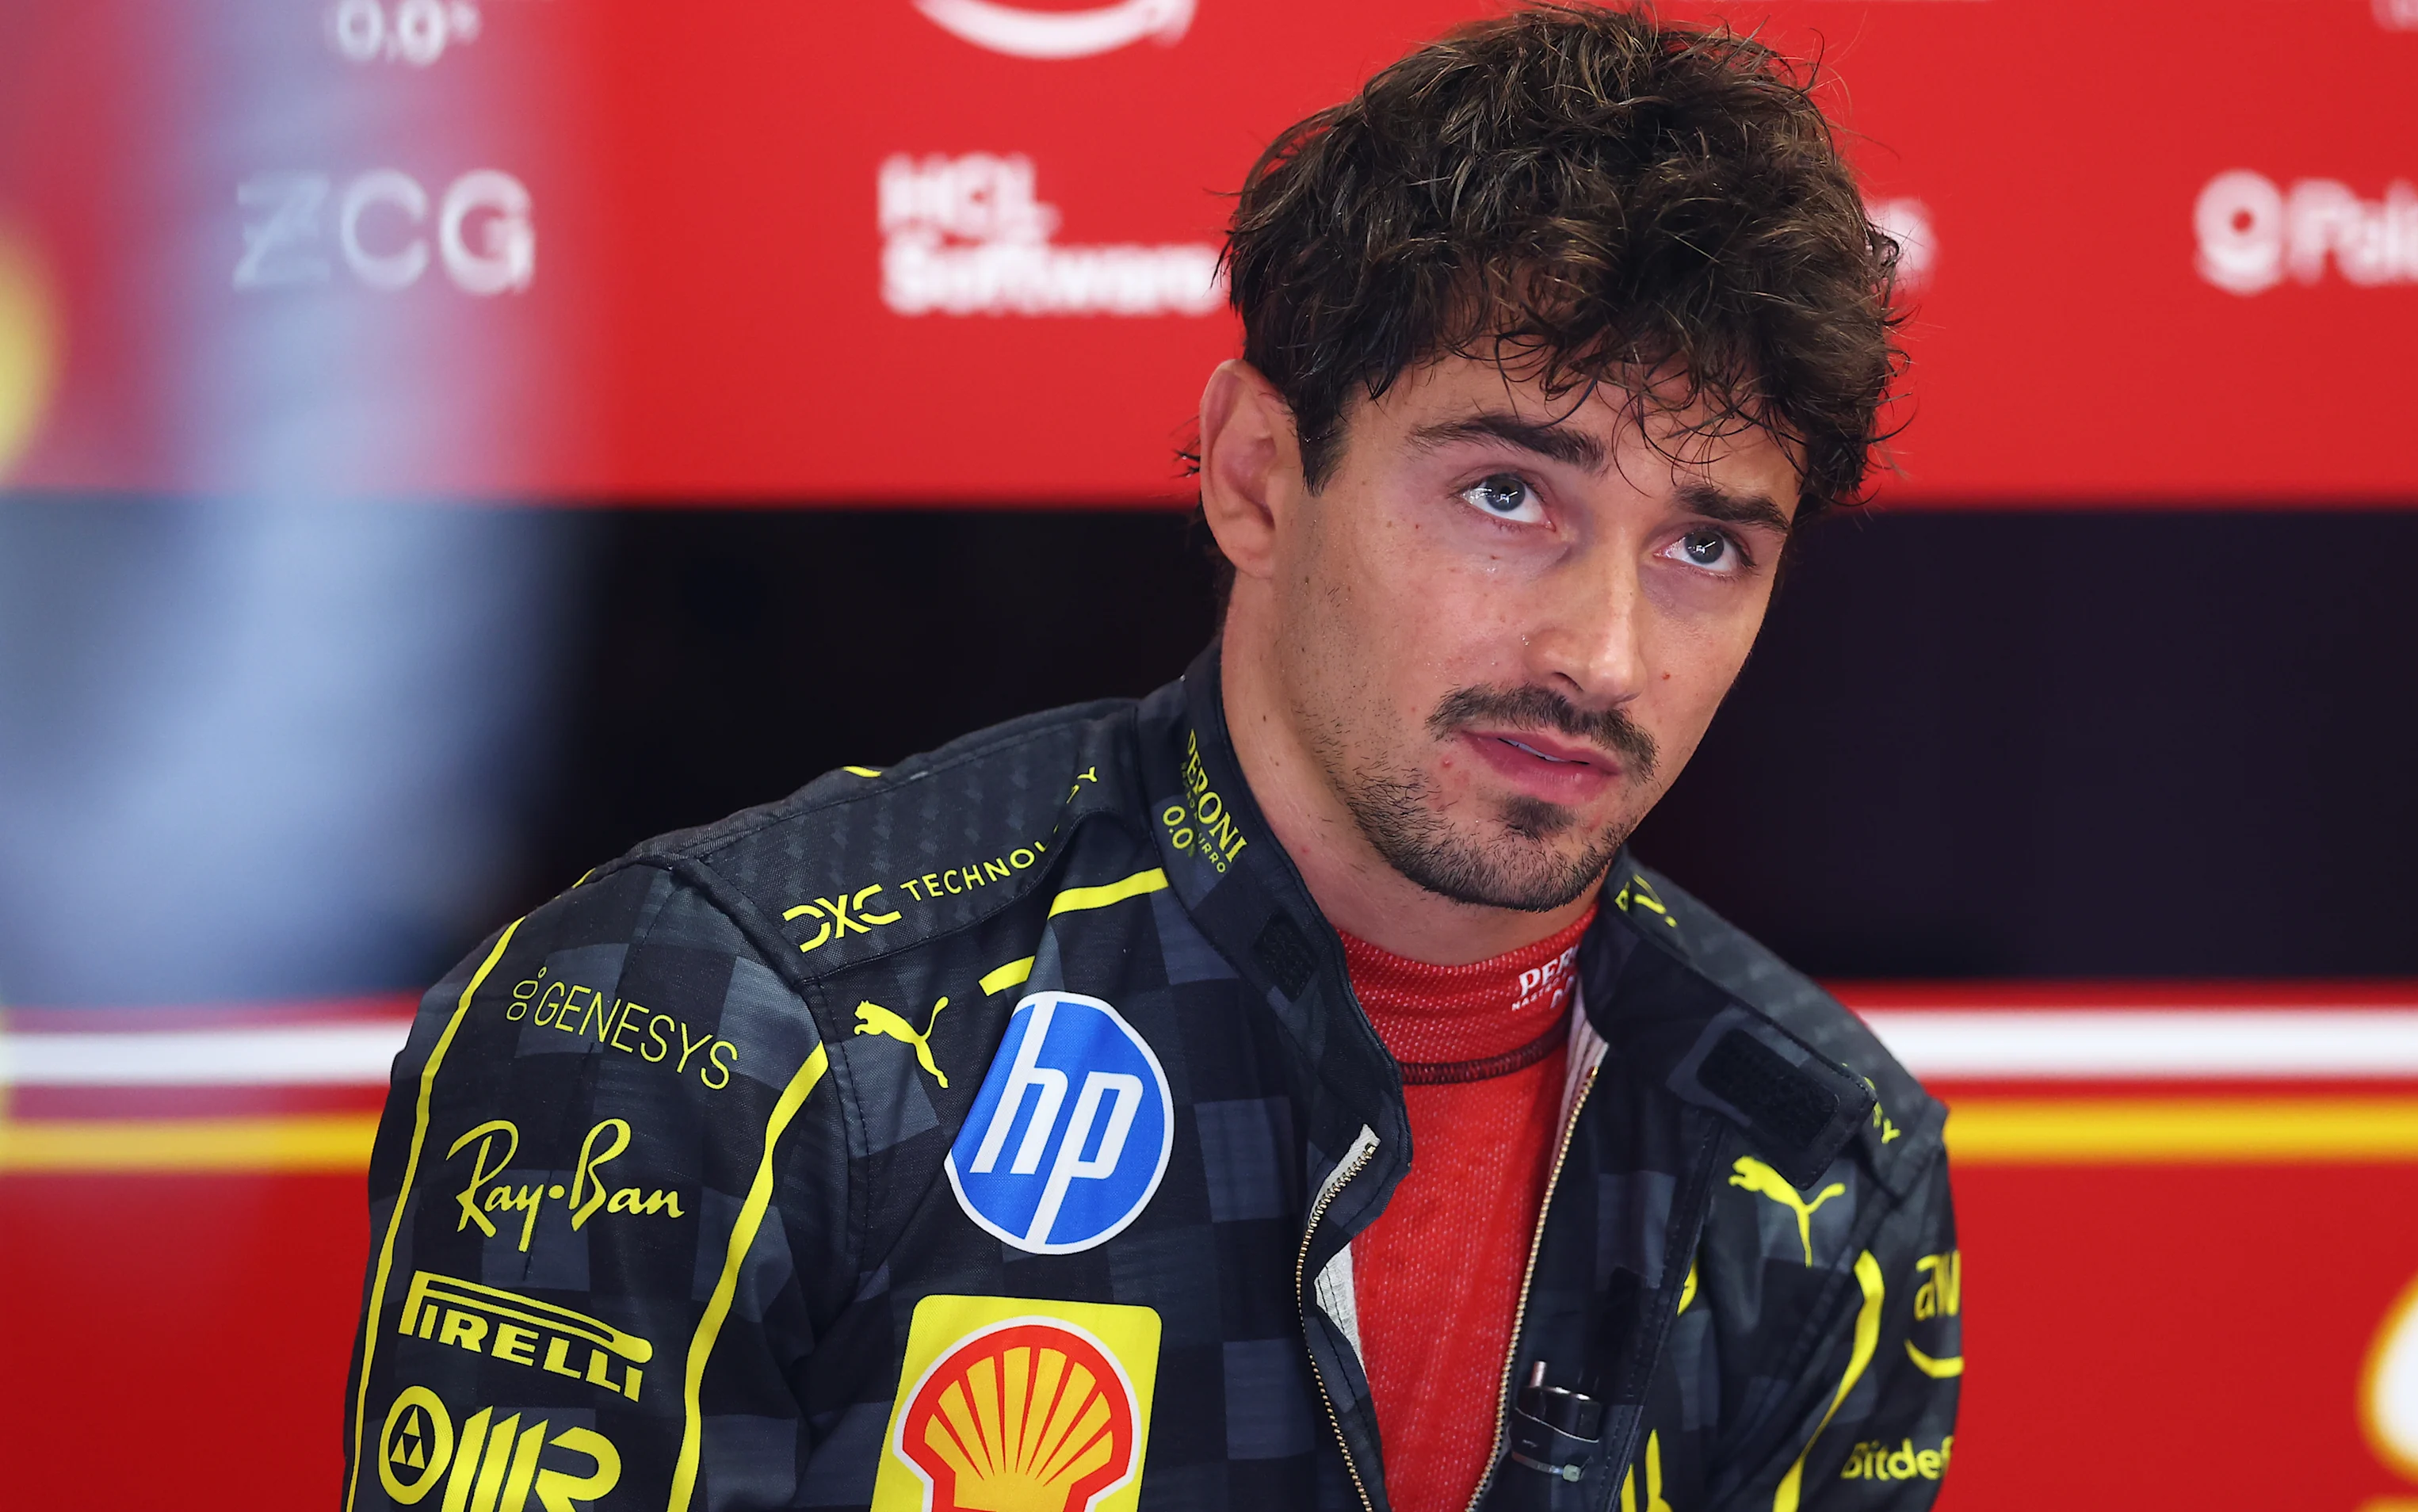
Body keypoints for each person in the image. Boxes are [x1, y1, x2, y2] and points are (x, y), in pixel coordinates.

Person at [341, 6, 1958, 1509]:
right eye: (1507, 496)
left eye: (1704, 551)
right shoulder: (707, 1024)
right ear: (1256, 476)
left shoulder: (1820, 1156)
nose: (1603, 657)